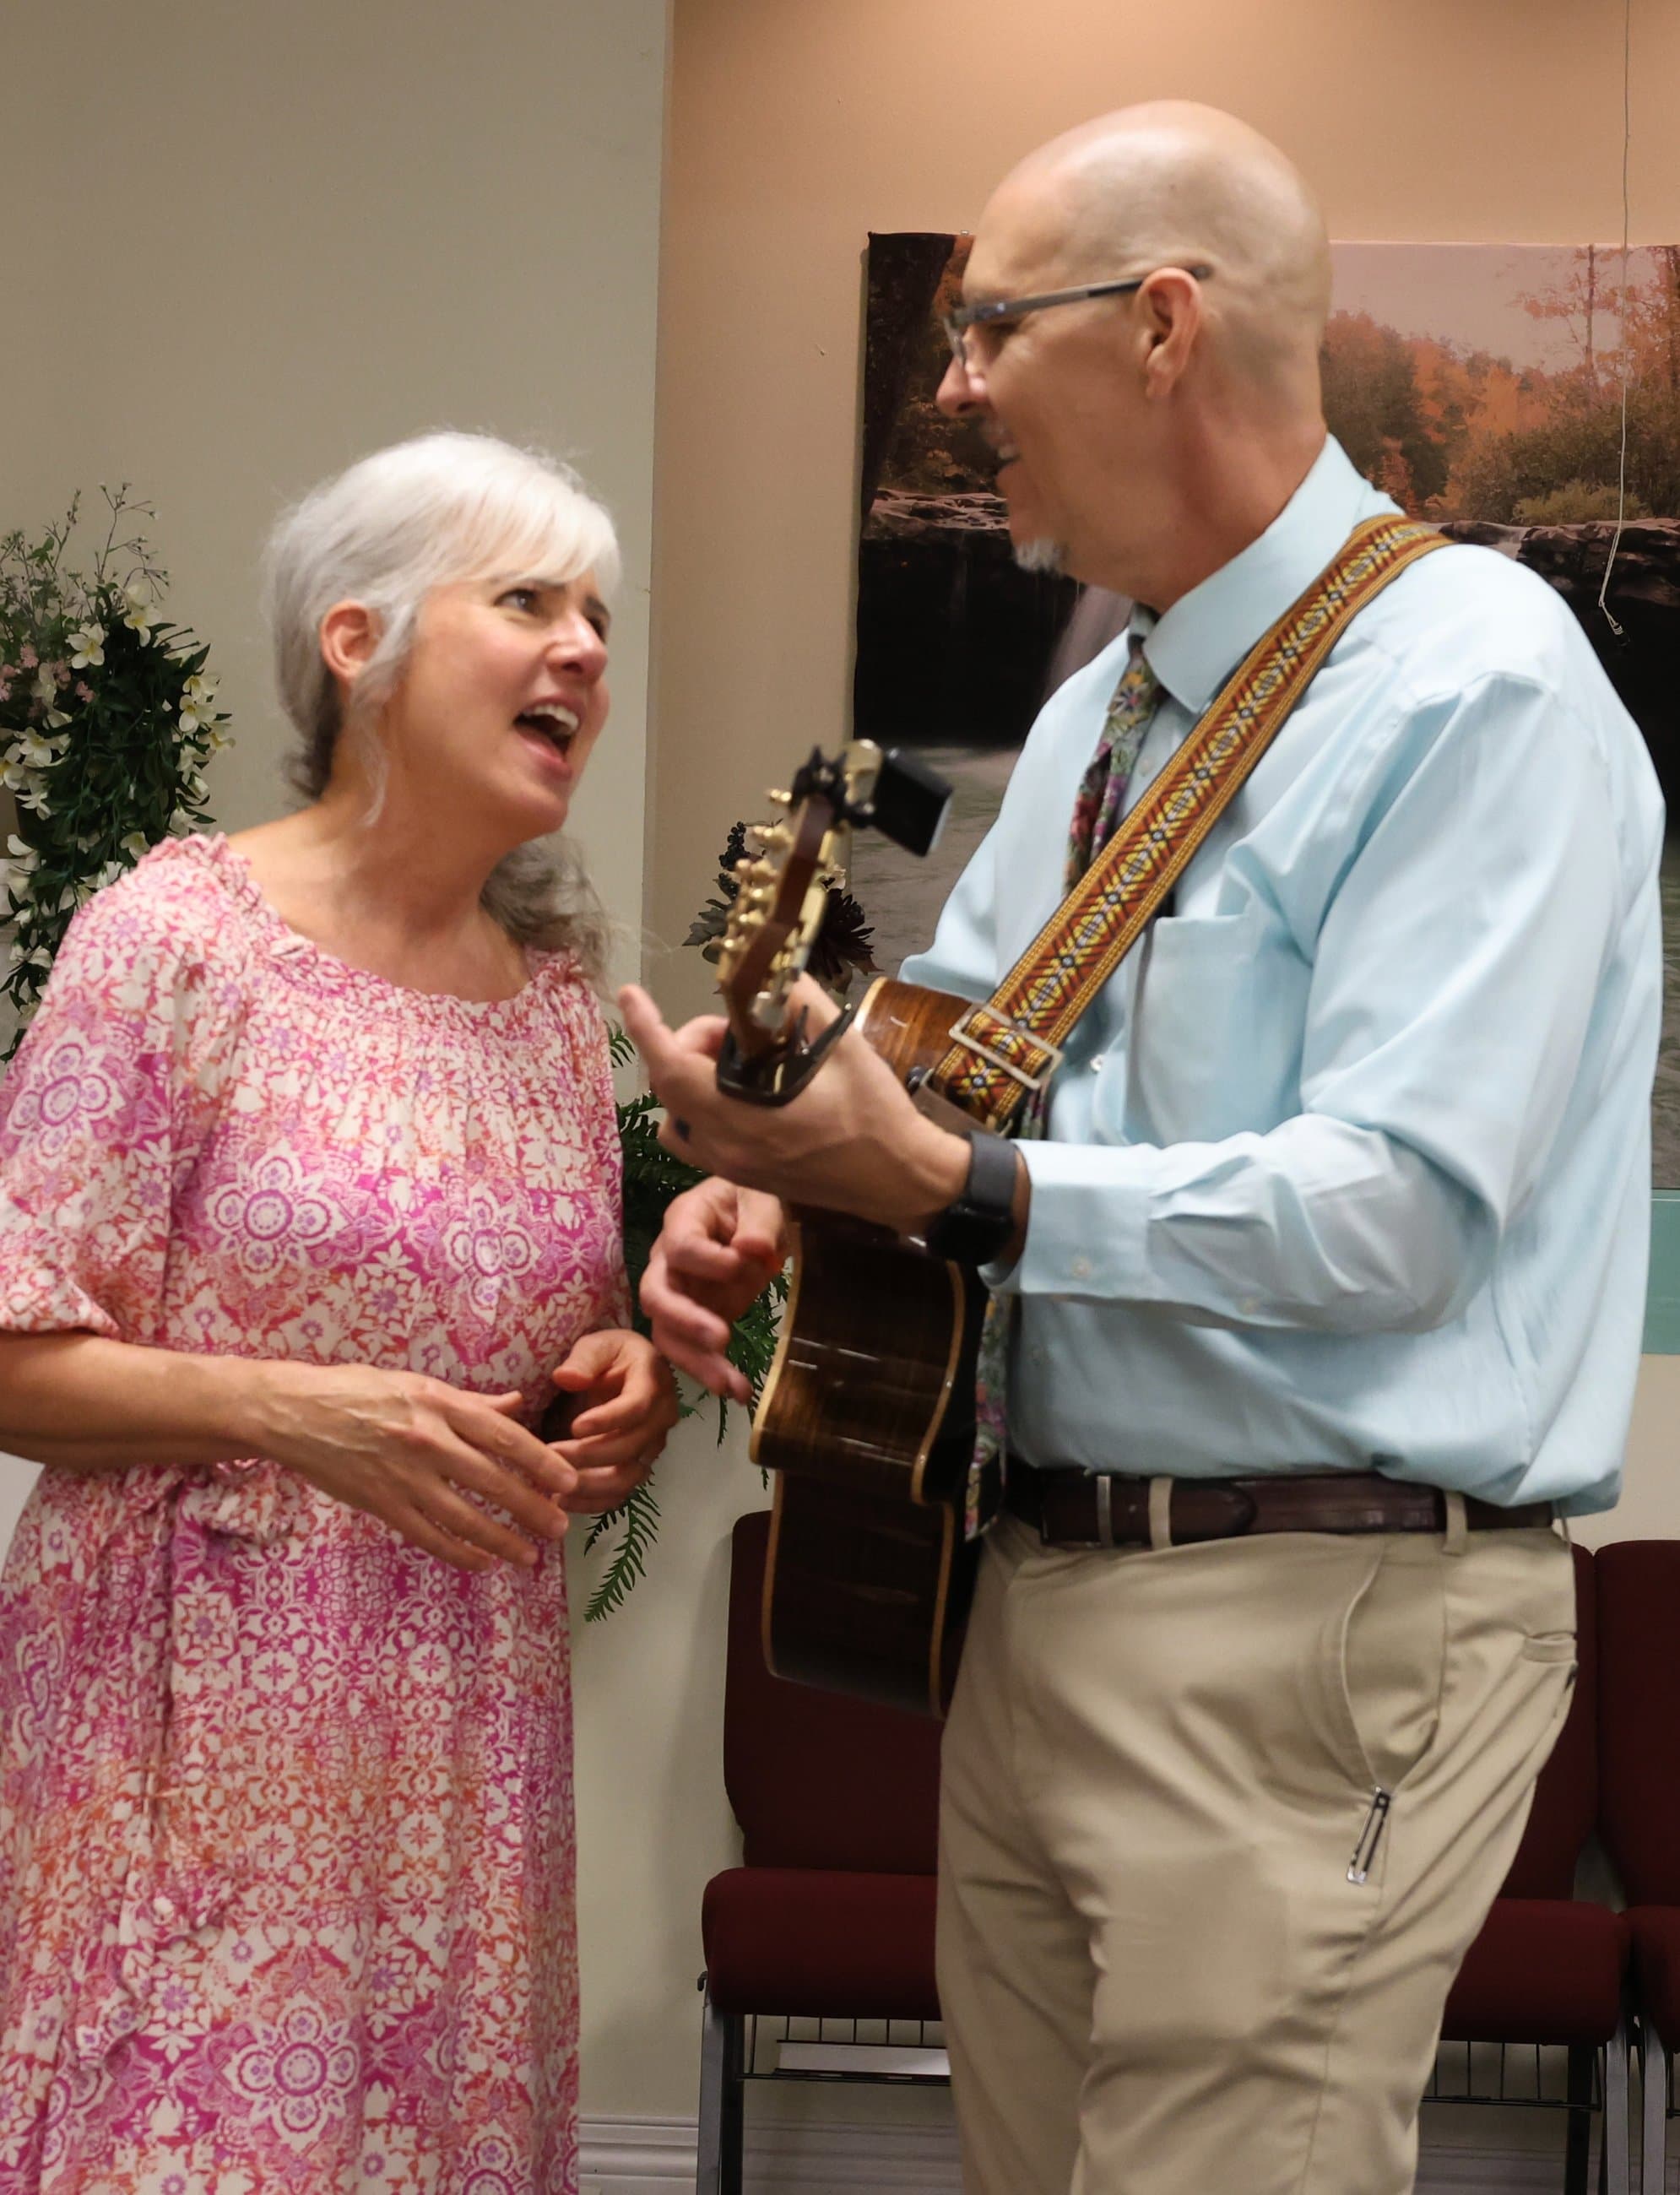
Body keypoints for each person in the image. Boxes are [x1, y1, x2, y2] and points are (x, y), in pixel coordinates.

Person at [621, 103, 1665, 2195]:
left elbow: (1389, 1218)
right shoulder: (1119, 703)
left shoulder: (1474, 686)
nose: (952, 386)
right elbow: (947, 1069)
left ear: (1161, 324)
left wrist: (939, 1184)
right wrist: (791, 1175)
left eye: (988, 325)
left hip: (1313, 1627)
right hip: (1043, 1599)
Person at [0, 431, 678, 2192]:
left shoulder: (547, 1012)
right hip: (184, 1753)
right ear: (356, 642)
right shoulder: (171, 939)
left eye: (597, 612)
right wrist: (302, 1408)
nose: (584, 647)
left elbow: (544, 1353)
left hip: (461, 1770)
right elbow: (13, 1348)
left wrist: (624, 1385)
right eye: (525, 598)